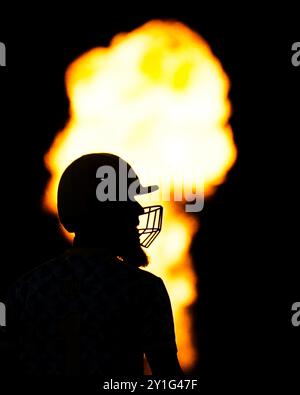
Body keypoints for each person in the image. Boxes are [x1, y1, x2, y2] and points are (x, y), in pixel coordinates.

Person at [7, 153, 183, 376]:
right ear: (106, 211)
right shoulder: (143, 289)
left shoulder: (26, 288)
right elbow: (169, 376)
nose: (138, 211)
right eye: (128, 200)